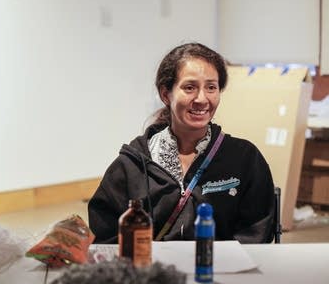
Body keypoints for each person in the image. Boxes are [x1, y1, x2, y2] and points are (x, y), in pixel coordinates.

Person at [88, 42, 275, 244]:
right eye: (189, 87)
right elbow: (106, 232)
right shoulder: (132, 164)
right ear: (165, 94)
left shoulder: (244, 158)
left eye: (211, 87)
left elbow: (257, 231)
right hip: (151, 271)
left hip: (219, 270)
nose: (202, 99)